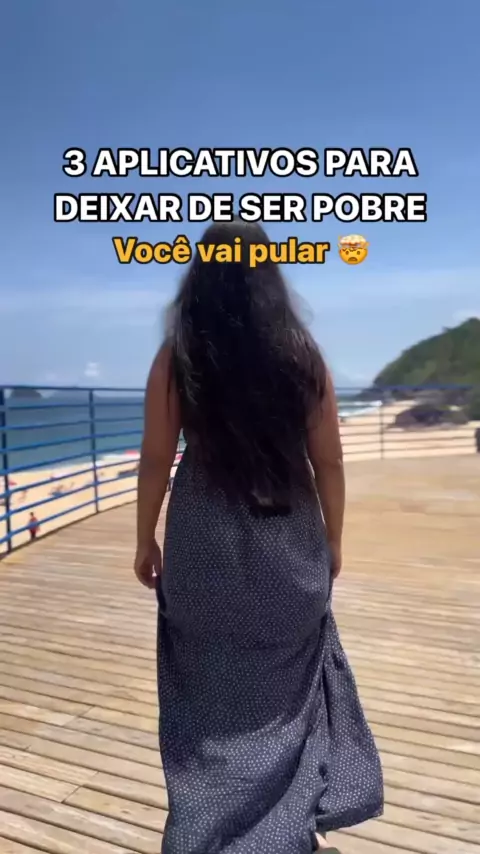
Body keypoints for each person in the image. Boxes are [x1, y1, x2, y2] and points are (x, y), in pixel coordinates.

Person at [134, 219, 384, 854]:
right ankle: (283, 831)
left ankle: (204, 830)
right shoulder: (301, 356)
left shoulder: (179, 357)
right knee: (287, 699)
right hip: (288, 547)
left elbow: (156, 459)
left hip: (203, 552)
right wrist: (333, 540)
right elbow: (329, 461)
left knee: (206, 707)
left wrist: (145, 539)